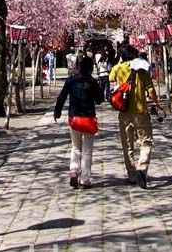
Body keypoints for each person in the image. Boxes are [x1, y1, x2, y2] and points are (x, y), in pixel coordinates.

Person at [108, 45, 161, 189]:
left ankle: (131, 175)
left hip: (124, 113)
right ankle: (142, 168)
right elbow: (151, 90)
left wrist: (120, 64)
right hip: (141, 112)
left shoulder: (117, 69)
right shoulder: (142, 71)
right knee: (146, 143)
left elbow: (111, 80)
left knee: (127, 145)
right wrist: (156, 104)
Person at [53, 56, 104, 188]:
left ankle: (74, 170)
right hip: (88, 118)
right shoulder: (92, 82)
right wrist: (100, 88)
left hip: (74, 118)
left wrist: (57, 112)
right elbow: (99, 100)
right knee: (87, 150)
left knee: (76, 147)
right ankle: (85, 179)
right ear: (91, 68)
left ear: (78, 67)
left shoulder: (71, 81)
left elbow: (62, 97)